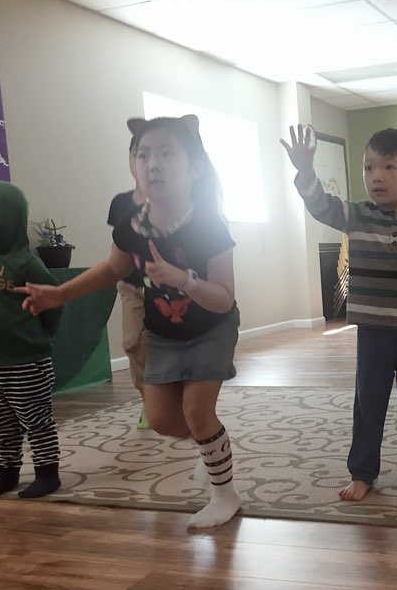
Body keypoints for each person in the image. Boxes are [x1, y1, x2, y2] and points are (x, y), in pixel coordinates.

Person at [17, 115, 242, 529]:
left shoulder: (209, 223)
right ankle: (212, 444)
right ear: (134, 164)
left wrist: (184, 280)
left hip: (212, 326)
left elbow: (224, 297)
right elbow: (112, 269)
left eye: (167, 154)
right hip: (164, 331)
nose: (153, 164)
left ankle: (225, 495)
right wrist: (59, 294)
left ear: (195, 168)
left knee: (196, 409)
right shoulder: (132, 225)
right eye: (144, 155)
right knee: (162, 420)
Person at [281, 125, 397, 502]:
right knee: (368, 404)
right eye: (369, 167)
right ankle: (362, 472)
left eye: (388, 167)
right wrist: (305, 170)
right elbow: (320, 205)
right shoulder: (357, 215)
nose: (376, 176)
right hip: (373, 332)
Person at [0, 181, 64, 499]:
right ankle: (7, 472)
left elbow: (54, 301)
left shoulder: (27, 263)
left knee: (35, 419)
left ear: (10, 217)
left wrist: (42, 337)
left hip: (26, 361)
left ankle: (48, 473)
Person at [107, 132, 148, 420]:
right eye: (137, 154)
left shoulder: (170, 199)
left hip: (167, 285)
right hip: (132, 284)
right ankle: (149, 397)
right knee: (133, 341)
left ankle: (171, 395)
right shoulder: (121, 203)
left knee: (168, 343)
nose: (143, 161)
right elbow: (117, 250)